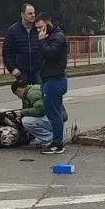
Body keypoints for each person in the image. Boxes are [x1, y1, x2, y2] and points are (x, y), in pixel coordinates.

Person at [36, 13, 69, 155]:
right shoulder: (50, 37)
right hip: (47, 78)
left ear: (48, 24)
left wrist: (42, 41)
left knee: (54, 113)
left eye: (41, 27)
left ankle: (58, 144)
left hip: (55, 79)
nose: (39, 31)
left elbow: (51, 53)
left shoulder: (57, 37)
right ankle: (55, 141)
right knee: (51, 112)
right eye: (37, 28)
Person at [10, 77, 66, 146]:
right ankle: (55, 136)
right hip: (59, 120)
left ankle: (50, 138)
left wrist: (23, 112)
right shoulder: (33, 88)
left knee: (26, 121)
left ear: (19, 90)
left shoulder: (32, 93)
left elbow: (40, 110)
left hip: (55, 120)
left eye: (16, 94)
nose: (18, 97)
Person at [3, 3, 41, 84]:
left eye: (34, 13)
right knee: (26, 95)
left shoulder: (39, 28)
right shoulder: (12, 31)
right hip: (21, 71)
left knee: (39, 94)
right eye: (30, 13)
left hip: (38, 71)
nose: (33, 15)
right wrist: (12, 68)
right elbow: (6, 52)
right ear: (22, 15)